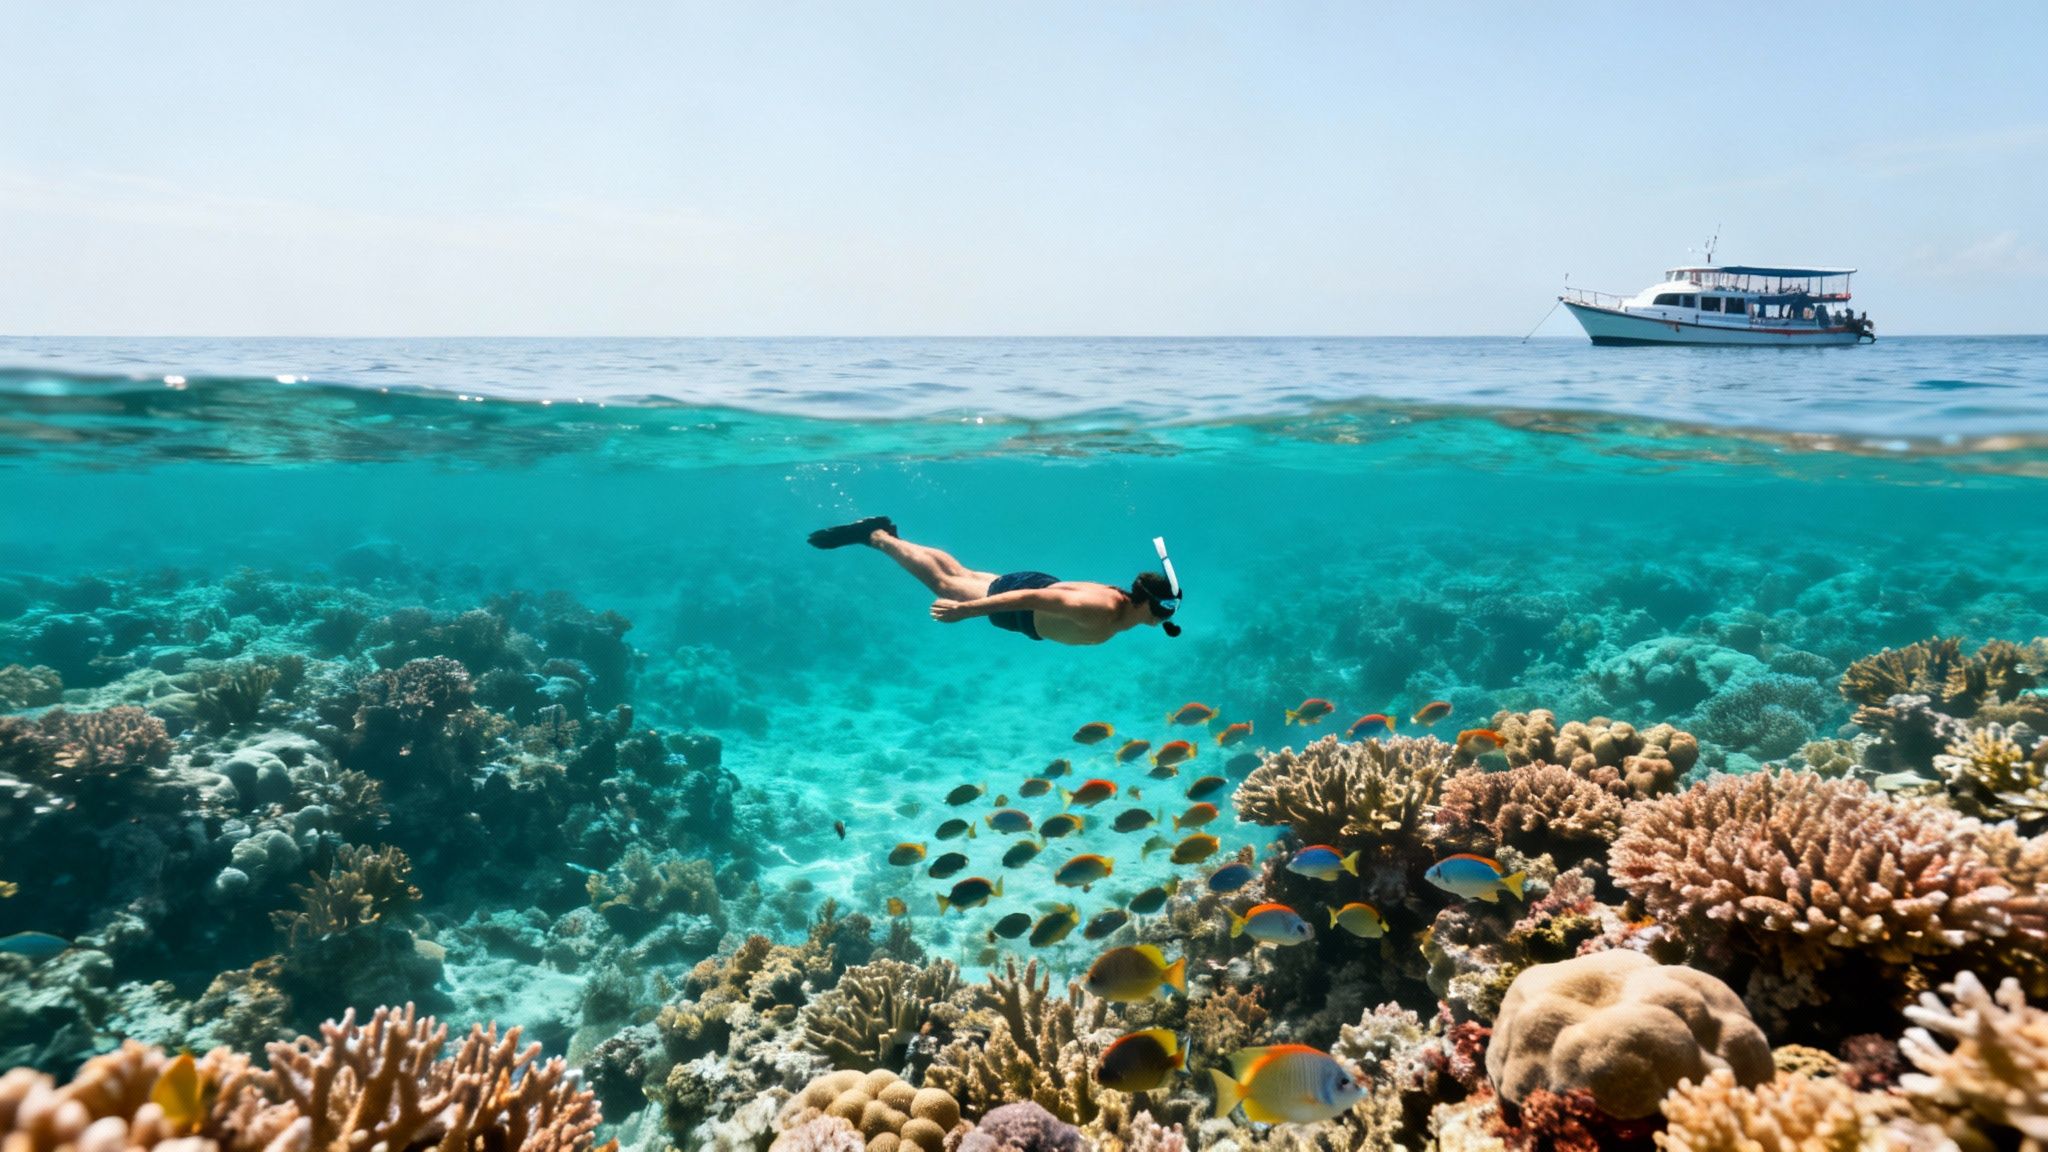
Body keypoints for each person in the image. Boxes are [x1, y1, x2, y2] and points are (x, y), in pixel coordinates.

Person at [807, 516, 1181, 645]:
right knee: (945, 585)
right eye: (1165, 608)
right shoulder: (1101, 608)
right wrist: (966, 610)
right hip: (1024, 603)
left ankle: (887, 534)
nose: (1166, 616)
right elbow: (1031, 598)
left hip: (1036, 590)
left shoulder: (1120, 604)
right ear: (1146, 601)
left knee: (961, 573)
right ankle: (877, 538)